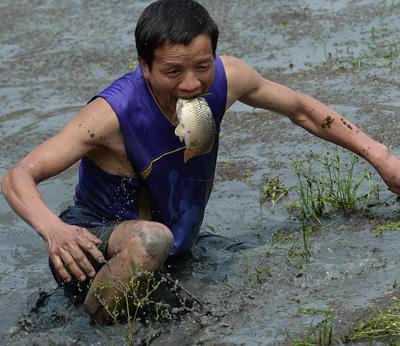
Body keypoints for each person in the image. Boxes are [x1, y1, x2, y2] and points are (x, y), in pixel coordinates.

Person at [2, 0, 400, 324]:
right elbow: (18, 175)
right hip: (97, 249)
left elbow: (302, 110)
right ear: (144, 65)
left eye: (202, 66)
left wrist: (381, 157)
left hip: (175, 249)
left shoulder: (229, 79)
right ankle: (92, 325)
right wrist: (54, 230)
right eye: (172, 71)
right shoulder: (109, 116)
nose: (191, 83)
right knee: (152, 239)